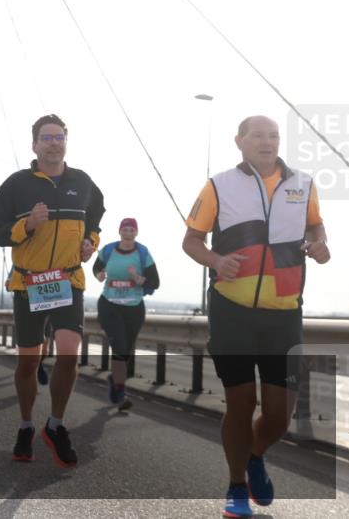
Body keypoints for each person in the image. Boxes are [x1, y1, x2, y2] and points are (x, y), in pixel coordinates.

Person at [182, 115, 329, 519]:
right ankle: (234, 488)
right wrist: (215, 260)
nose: (267, 142)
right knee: (241, 402)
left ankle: (255, 455)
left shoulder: (303, 183)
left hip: (284, 312)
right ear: (239, 141)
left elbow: (317, 228)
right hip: (232, 311)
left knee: (280, 416)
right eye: (258, 135)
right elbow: (191, 240)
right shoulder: (219, 185)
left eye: (274, 135)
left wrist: (320, 246)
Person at [0, 114, 104, 468]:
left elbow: (96, 217)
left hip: (68, 280)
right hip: (29, 282)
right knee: (29, 362)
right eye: (46, 137)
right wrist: (27, 225)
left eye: (59, 137)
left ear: (66, 142)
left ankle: (55, 424)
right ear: (34, 144)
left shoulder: (82, 182)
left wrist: (90, 242)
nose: (53, 143)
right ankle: (25, 424)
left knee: (68, 353)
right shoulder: (16, 184)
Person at [93, 218, 160, 411]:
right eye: (125, 229)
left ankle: (115, 379)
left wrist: (138, 278)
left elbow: (155, 282)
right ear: (120, 232)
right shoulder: (108, 250)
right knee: (120, 346)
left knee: (126, 350)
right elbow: (96, 267)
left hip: (134, 307)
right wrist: (99, 274)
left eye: (132, 230)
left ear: (136, 233)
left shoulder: (142, 253)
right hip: (109, 305)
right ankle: (121, 395)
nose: (128, 233)